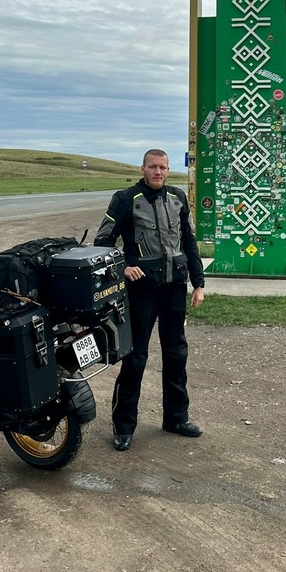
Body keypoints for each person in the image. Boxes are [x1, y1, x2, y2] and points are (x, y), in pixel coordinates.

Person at [94, 148, 205, 451]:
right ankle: (123, 426)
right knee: (135, 358)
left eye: (163, 167)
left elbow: (189, 241)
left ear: (168, 170)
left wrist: (198, 283)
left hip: (174, 289)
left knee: (176, 354)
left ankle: (176, 419)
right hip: (141, 291)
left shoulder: (178, 198)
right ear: (142, 169)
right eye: (153, 167)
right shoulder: (125, 199)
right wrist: (123, 267)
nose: (158, 172)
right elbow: (102, 242)